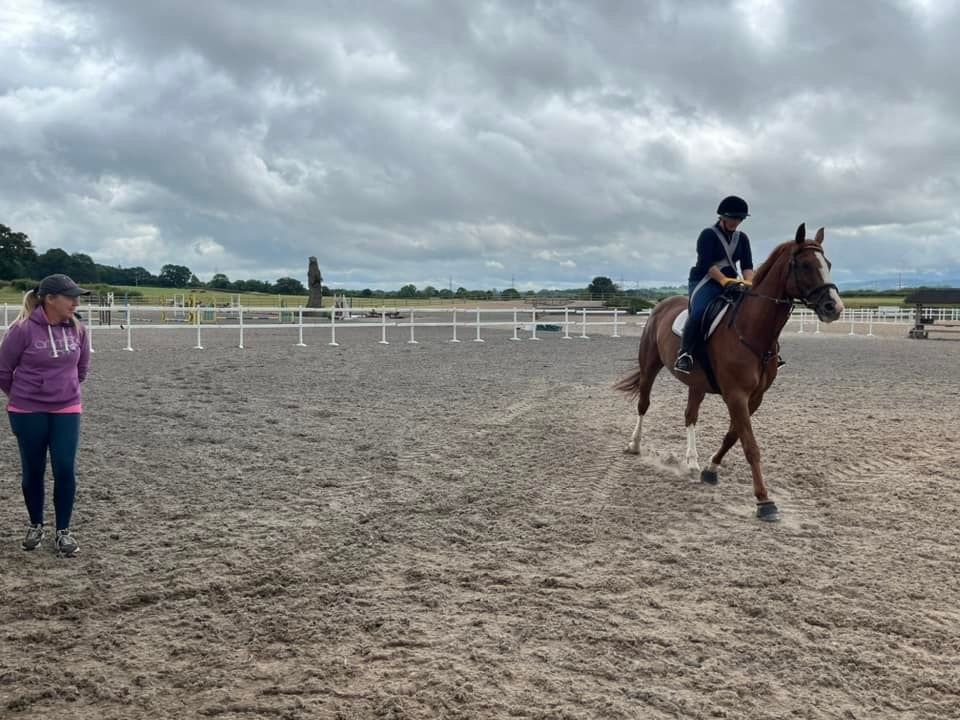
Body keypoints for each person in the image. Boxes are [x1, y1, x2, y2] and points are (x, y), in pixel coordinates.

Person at [0, 274, 91, 556]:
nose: (76, 302)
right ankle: (35, 524)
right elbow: (3, 371)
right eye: (70, 297)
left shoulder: (78, 329)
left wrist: (64, 389)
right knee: (34, 469)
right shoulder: (23, 330)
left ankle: (63, 531)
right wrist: (23, 396)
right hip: (27, 410)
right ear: (49, 299)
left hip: (66, 407)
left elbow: (82, 369)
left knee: (64, 467)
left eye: (77, 297)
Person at [675, 196, 755, 374]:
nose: (737, 222)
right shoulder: (708, 235)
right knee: (699, 312)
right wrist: (723, 281)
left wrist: (749, 282)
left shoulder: (742, 239)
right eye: (734, 218)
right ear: (722, 216)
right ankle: (685, 353)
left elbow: (747, 266)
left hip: (732, 282)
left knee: (753, 310)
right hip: (705, 280)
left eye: (740, 219)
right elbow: (707, 265)